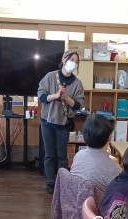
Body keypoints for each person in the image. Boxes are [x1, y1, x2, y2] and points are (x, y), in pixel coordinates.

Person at [38, 50, 85, 194]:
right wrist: (56, 95)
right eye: (71, 59)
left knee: (62, 156)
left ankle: (63, 183)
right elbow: (41, 96)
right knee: (49, 154)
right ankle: (50, 182)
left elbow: (79, 106)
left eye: (76, 61)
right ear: (64, 60)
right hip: (47, 122)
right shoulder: (50, 76)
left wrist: (65, 97)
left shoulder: (77, 84)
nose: (73, 63)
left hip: (63, 124)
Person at [70, 113, 121, 201]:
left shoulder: (78, 155)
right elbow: (118, 195)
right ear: (110, 137)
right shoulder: (114, 168)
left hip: (74, 202)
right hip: (96, 208)